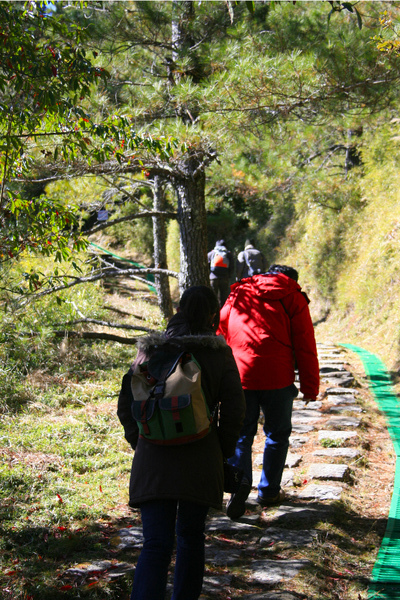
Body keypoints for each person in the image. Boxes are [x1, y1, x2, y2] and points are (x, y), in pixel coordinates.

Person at [117, 286, 245, 600]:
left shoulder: (150, 349)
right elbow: (235, 410)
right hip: (200, 457)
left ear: (178, 309)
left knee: (155, 544)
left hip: (152, 460)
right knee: (190, 539)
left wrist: (144, 441)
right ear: (214, 314)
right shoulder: (218, 353)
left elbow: (126, 405)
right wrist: (221, 452)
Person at [217, 264, 319, 520]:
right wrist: (310, 387)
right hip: (278, 378)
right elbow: (305, 344)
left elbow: (221, 331)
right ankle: (269, 491)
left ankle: (238, 487)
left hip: (241, 376)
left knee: (241, 434)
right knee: (277, 434)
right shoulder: (293, 296)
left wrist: (220, 376)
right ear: (290, 280)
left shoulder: (239, 292)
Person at [207, 239, 234, 307]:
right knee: (224, 299)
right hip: (224, 278)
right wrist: (229, 276)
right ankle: (223, 315)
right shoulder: (228, 254)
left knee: (213, 298)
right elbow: (232, 267)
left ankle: (214, 315)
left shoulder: (211, 253)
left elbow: (206, 265)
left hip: (213, 278)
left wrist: (208, 276)